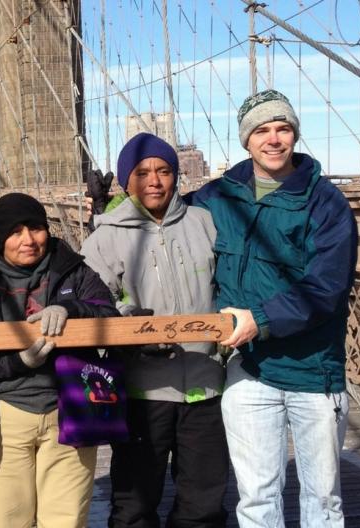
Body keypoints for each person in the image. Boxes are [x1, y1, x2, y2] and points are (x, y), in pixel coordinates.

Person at [190, 89, 358, 527]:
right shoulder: (213, 198)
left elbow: (326, 287)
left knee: (323, 500)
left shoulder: (327, 202)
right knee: (257, 498)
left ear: (295, 135)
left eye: (283, 128)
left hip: (314, 373)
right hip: (249, 371)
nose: (274, 139)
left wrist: (258, 320)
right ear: (246, 140)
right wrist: (112, 207)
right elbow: (161, 225)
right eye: (262, 130)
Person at [80, 133, 228, 528]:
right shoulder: (105, 238)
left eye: (164, 171)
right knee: (134, 504)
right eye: (142, 172)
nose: (155, 181)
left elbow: (232, 284)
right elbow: (89, 303)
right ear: (127, 181)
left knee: (205, 504)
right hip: (142, 390)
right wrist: (128, 323)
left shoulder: (205, 224)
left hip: (206, 382)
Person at [0, 193, 119, 528]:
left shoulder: (71, 268)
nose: (28, 240)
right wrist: (19, 362)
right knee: (5, 521)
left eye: (35, 228)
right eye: (14, 232)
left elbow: (108, 314)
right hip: (3, 416)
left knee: (65, 521)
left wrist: (71, 309)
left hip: (70, 409)